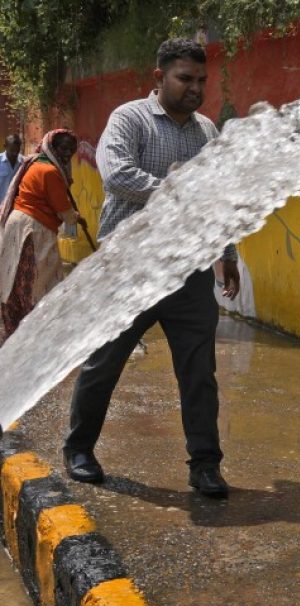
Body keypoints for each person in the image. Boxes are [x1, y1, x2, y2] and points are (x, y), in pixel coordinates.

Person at [62, 38, 240, 498]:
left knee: (198, 372)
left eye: (202, 80)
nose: (196, 88)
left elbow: (218, 198)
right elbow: (117, 174)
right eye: (185, 79)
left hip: (188, 269)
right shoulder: (129, 119)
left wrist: (229, 254)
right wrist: (177, 191)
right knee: (104, 363)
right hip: (127, 269)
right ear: (159, 78)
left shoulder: (206, 133)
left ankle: (205, 464)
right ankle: (79, 449)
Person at [0, 130, 86, 342]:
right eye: (62, 148)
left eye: (71, 150)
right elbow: (63, 211)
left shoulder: (34, 163)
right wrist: (75, 217)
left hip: (19, 224)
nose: (67, 153)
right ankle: (34, 334)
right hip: (34, 229)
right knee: (36, 281)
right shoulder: (49, 171)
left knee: (15, 279)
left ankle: (16, 329)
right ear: (52, 147)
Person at [0, 133, 24, 201]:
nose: (15, 153)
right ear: (5, 146)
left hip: (16, 207)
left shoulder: (24, 162)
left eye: (17, 150)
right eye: (12, 150)